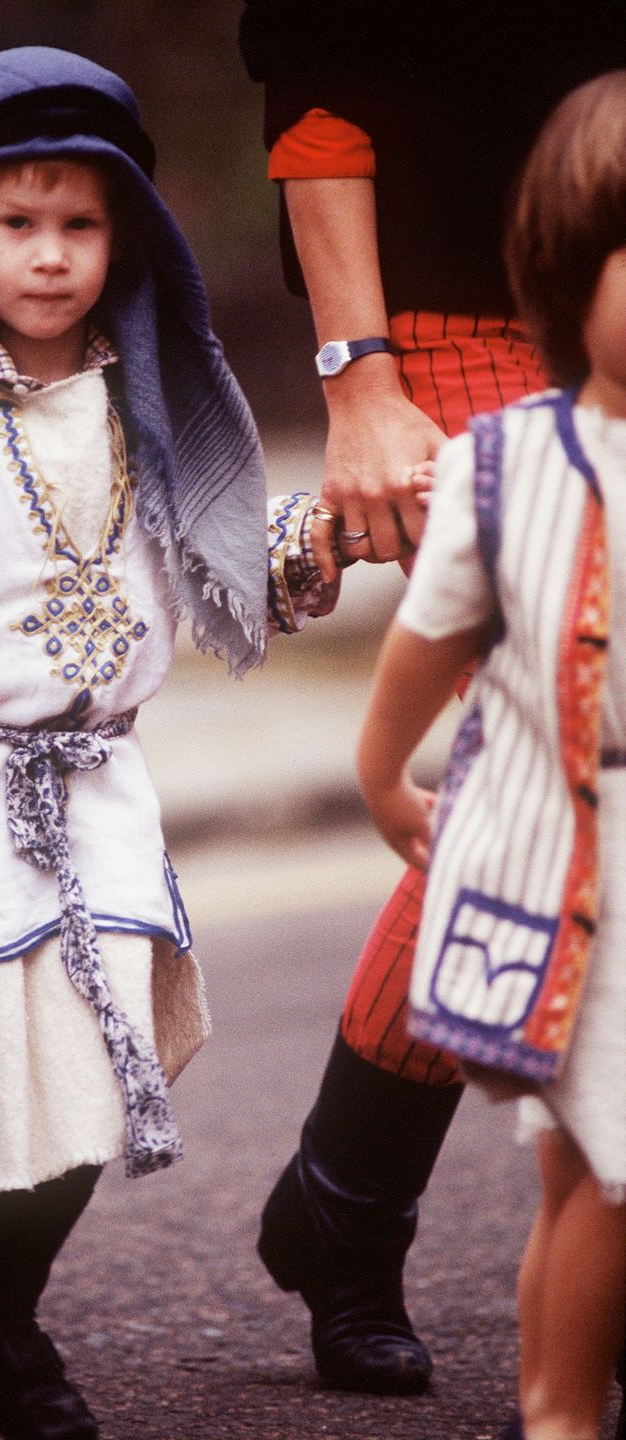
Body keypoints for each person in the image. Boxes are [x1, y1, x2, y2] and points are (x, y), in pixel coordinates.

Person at [0, 45, 350, 1440]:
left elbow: (197, 568)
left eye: (79, 225)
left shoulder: (151, 415)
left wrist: (307, 548)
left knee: (108, 1078)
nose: (47, 256)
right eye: (16, 223)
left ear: (125, 237)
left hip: (95, 791)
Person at [237, 0, 626, 1395]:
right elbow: (324, 80)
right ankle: (349, 1212)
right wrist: (359, 377)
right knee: (541, 758)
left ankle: (343, 1201)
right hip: (463, 328)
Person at [357, 70, 626, 1440]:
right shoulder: (510, 466)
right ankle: (565, 1415)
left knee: (587, 1167)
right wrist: (380, 773)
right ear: (568, 274)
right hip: (580, 861)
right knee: (608, 1175)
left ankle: (554, 1407)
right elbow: (422, 642)